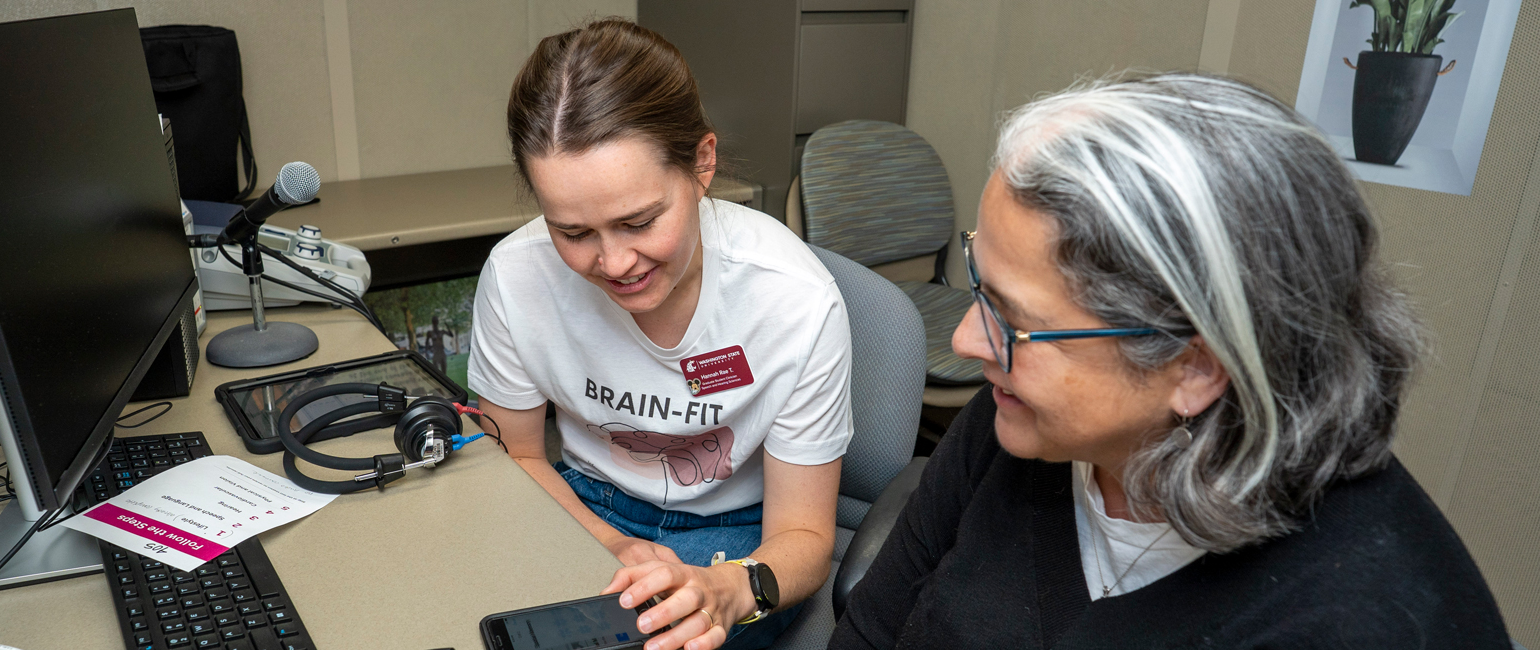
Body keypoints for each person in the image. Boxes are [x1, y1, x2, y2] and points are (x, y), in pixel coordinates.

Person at [829, 74, 1511, 649]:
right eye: (982, 288)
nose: (969, 342)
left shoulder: (1372, 618)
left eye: (1015, 319)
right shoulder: (1021, 418)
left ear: (1196, 368)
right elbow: (871, 630)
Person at [468, 18, 853, 650]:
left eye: (640, 221)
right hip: (583, 504)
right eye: (572, 233)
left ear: (703, 163)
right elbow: (521, 457)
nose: (615, 263)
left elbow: (806, 542)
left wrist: (729, 591)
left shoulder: (794, 302)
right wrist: (614, 543)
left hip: (736, 532)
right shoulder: (517, 276)